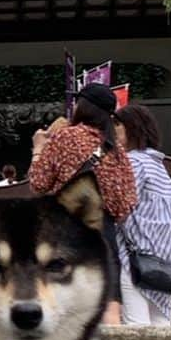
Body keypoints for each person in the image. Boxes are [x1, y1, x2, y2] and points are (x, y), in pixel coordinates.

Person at [29, 83, 136, 325]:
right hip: (104, 232)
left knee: (63, 307)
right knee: (110, 310)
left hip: (64, 230)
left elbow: (38, 183)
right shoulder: (116, 149)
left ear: (83, 107)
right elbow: (127, 202)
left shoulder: (65, 137)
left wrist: (37, 149)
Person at [114, 103, 171, 327]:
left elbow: (119, 206)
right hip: (163, 260)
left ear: (132, 128)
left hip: (133, 258)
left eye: (118, 125)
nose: (113, 131)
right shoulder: (159, 166)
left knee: (136, 326)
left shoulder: (132, 162)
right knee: (162, 326)